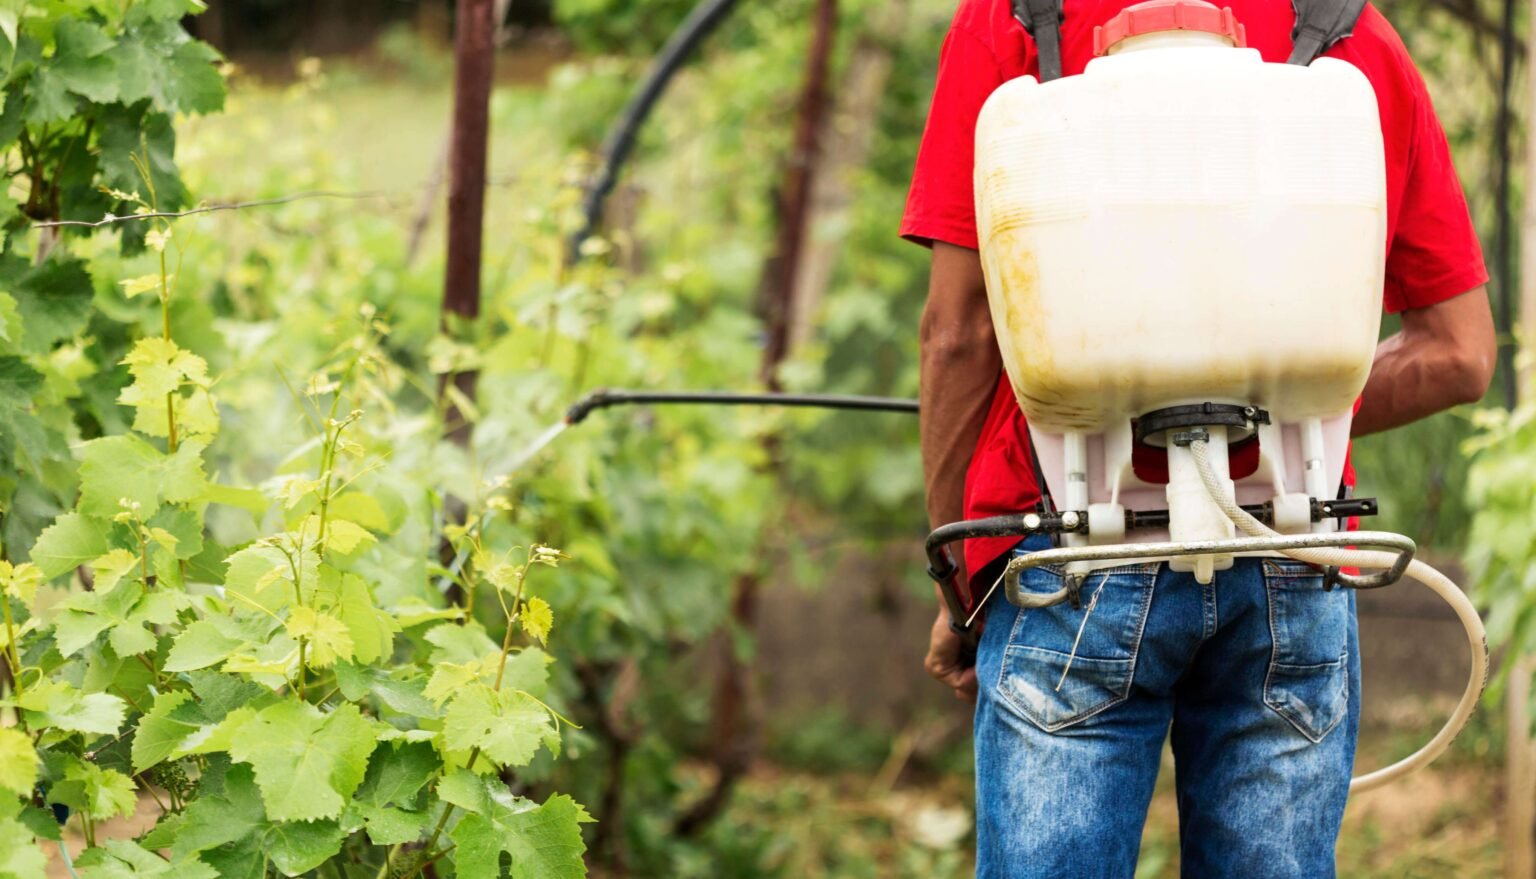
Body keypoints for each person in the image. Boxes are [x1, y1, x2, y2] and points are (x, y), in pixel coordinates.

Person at [902, 1, 1496, 876]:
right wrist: (1267, 407)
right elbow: (1461, 352)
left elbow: (960, 335)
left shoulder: (1019, 19)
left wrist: (958, 577)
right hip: (1293, 547)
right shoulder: (1345, 29)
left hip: (1069, 552)